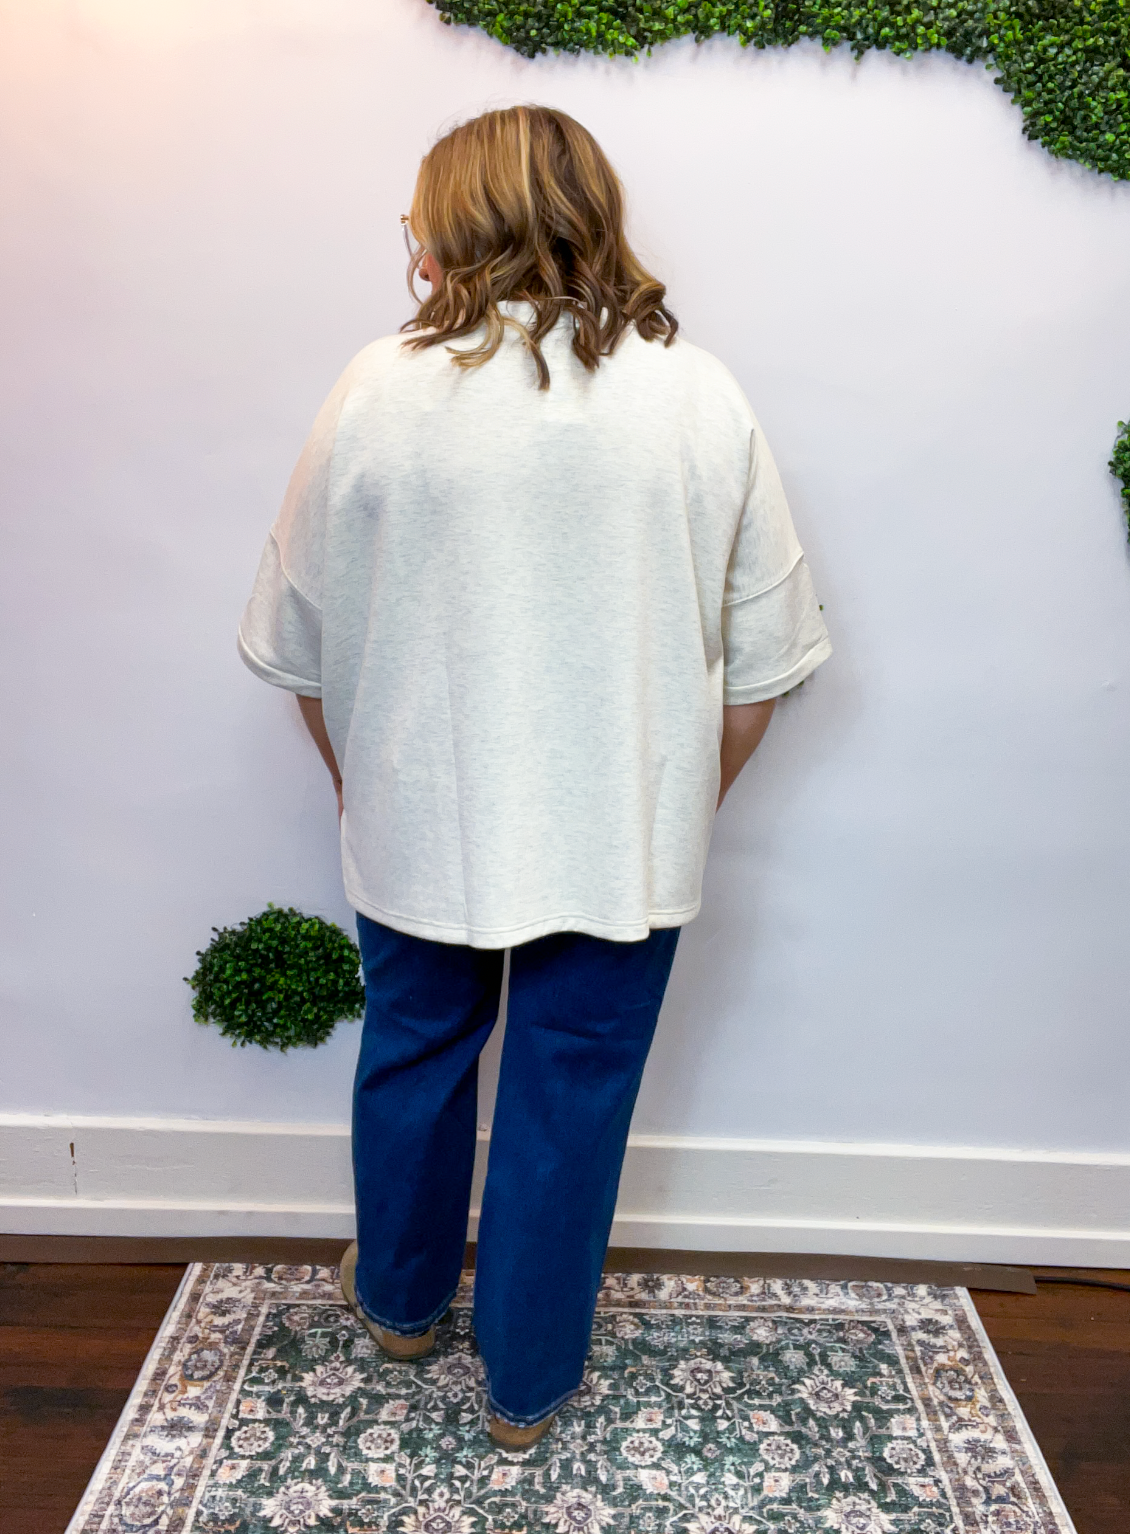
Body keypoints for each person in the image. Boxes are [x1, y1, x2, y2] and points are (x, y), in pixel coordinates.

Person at [237, 104, 831, 1450]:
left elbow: (300, 648)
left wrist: (363, 785)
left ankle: (399, 1303)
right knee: (572, 1092)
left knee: (414, 1051)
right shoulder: (696, 391)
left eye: (416, 222)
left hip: (420, 813)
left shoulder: (376, 388)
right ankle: (526, 1381)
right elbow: (762, 668)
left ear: (454, 224)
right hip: (623, 835)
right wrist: (676, 803)